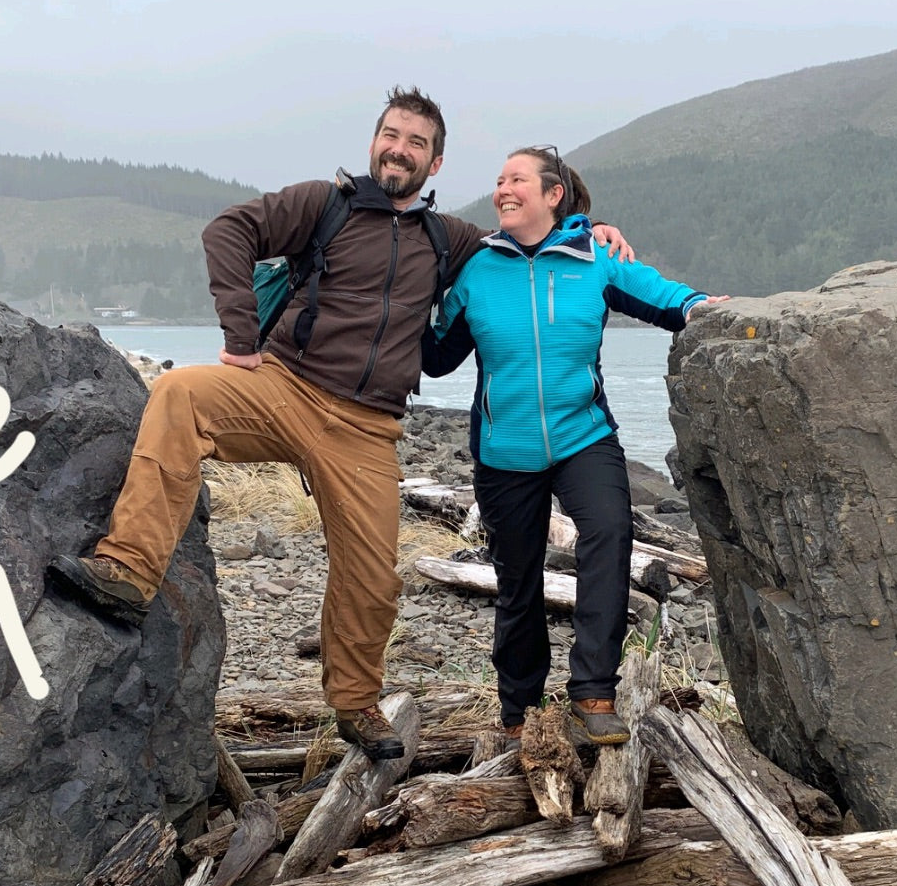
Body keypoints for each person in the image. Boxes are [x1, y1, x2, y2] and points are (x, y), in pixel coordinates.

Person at [46, 88, 634, 761]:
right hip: (283, 386)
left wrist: (591, 229)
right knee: (179, 393)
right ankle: (126, 570)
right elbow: (228, 231)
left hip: (367, 426)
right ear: (374, 141)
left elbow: (533, 240)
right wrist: (240, 336)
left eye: (416, 143)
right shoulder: (322, 205)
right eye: (391, 134)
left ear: (435, 165)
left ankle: (355, 704)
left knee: (372, 576)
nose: (399, 148)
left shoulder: (453, 241)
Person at [421, 146, 727, 744]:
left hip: (582, 435)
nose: (503, 189)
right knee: (517, 581)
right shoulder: (479, 269)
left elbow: (661, 296)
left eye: (516, 180)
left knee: (609, 536)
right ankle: (519, 712)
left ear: (552, 194)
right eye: (499, 181)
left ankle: (593, 692)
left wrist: (698, 306)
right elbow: (436, 357)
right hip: (504, 446)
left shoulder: (595, 257)